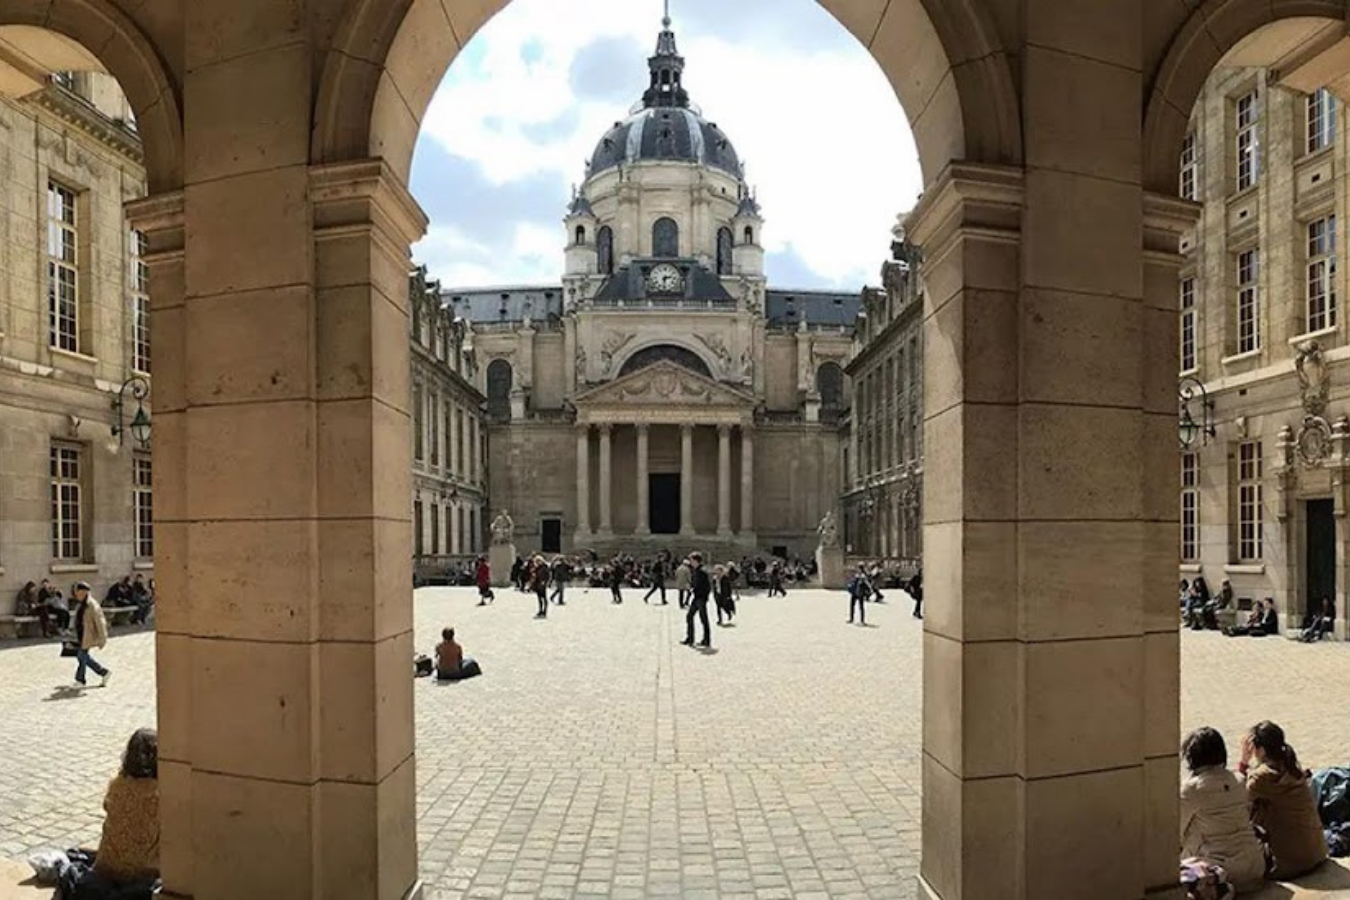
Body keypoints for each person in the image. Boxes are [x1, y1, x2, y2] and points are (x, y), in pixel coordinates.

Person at [1179, 726, 1268, 893]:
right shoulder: (1239, 780)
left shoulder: (1190, 790)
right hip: (1255, 867)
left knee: (1192, 826)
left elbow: (1175, 832)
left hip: (1222, 871)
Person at [1240, 721, 1328, 879]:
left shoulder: (1261, 777)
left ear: (1259, 749)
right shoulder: (1293, 768)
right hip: (1317, 853)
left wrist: (1243, 762)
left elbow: (1236, 801)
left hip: (1289, 864)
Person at [72, 582, 111, 688]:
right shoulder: (81, 604)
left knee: (82, 656)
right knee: (82, 657)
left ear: (83, 592)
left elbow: (100, 622)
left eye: (77, 591)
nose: (75, 593)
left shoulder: (92, 605)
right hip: (80, 634)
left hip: (87, 635)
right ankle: (103, 672)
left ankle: (80, 680)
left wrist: (102, 638)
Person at [682, 553, 712, 648]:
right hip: (697, 597)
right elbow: (696, 584)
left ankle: (706, 640)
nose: (690, 562)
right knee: (690, 616)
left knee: (703, 619)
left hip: (701, 598)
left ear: (696, 561)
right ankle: (690, 638)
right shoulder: (696, 570)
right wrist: (691, 587)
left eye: (691, 560)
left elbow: (706, 586)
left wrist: (704, 597)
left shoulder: (702, 571)